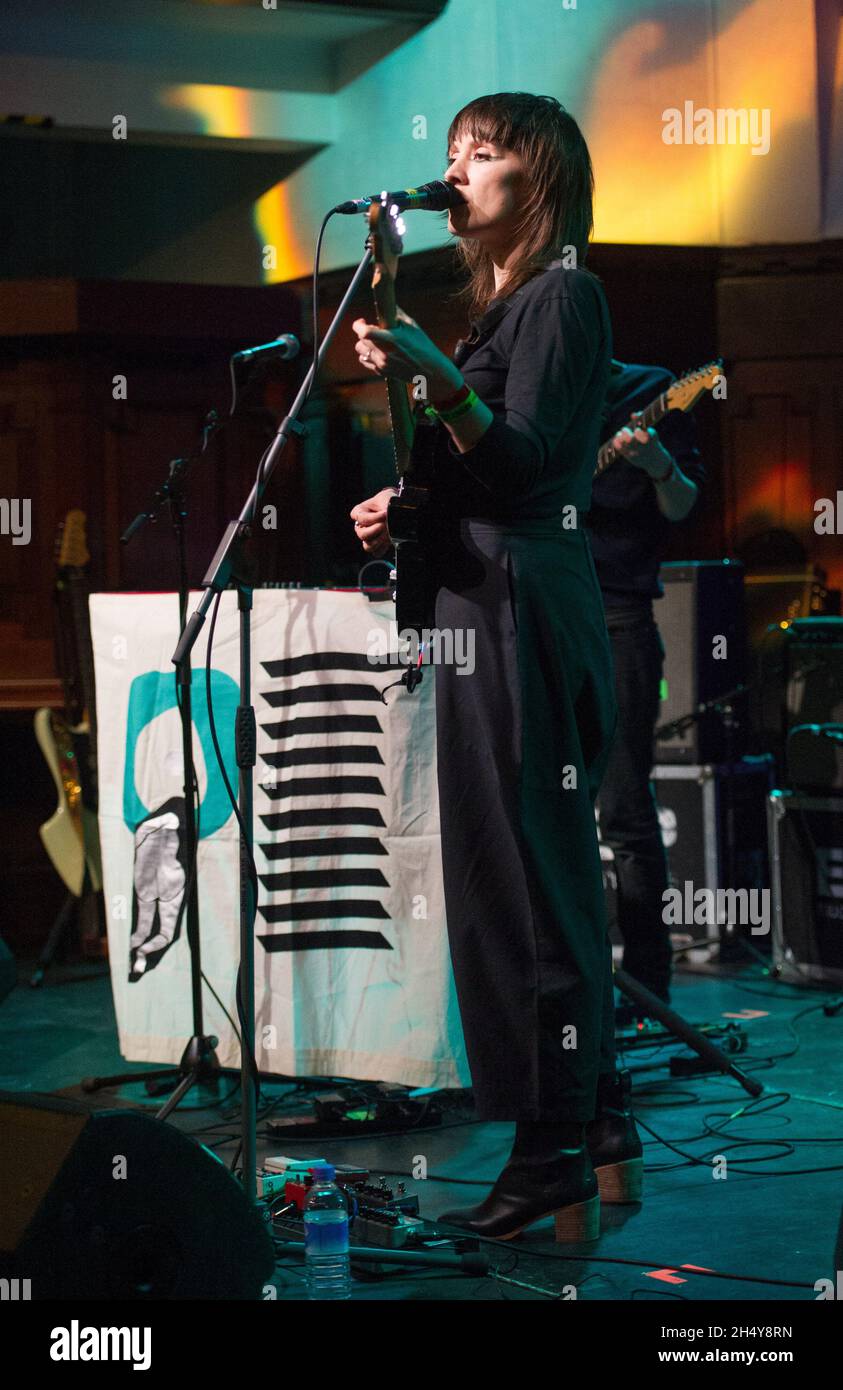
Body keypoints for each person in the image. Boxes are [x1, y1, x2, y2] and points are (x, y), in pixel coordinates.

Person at [350, 93, 640, 1242]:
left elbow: (526, 467)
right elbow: (479, 472)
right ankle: (597, 1120)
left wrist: (444, 381)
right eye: (451, 151)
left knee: (521, 886)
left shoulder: (565, 293)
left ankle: (550, 1149)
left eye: (485, 153)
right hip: (488, 595)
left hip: (523, 604)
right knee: (526, 873)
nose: (457, 169)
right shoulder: (502, 305)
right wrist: (404, 508)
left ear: (545, 175)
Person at [587, 363, 704, 1005]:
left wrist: (657, 462)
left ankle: (647, 990)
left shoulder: (653, 392)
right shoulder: (539, 391)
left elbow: (683, 503)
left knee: (625, 811)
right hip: (543, 614)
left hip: (619, 618)